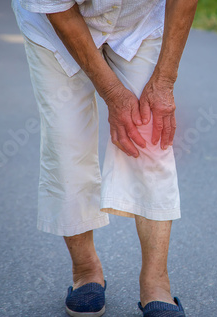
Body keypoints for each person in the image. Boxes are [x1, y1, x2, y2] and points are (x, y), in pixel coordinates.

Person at [11, 0, 197, 316]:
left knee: (150, 134)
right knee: (67, 140)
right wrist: (112, 94)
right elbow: (58, 9)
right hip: (55, 26)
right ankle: (85, 271)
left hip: (137, 22)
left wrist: (164, 82)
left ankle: (156, 283)